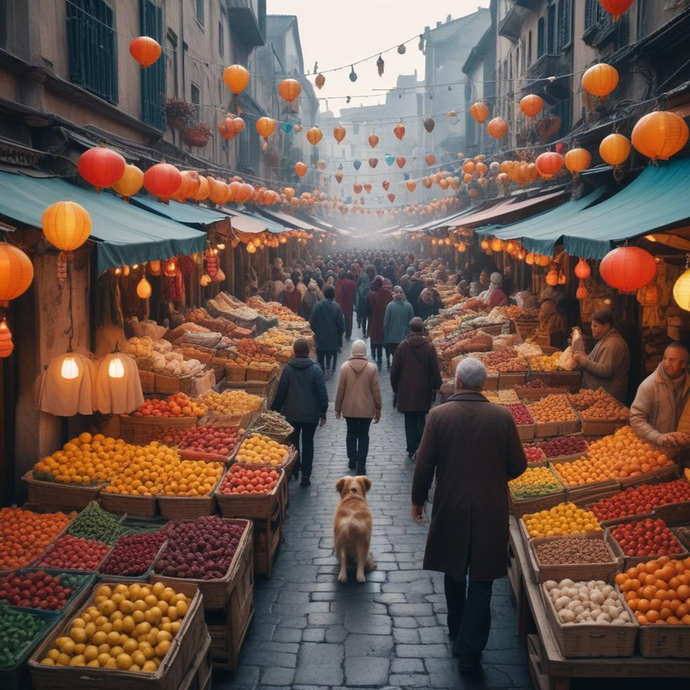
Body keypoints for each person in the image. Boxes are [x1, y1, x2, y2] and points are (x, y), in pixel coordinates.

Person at [411, 358, 527, 674]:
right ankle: (470, 652)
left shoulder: (438, 415)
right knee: (482, 579)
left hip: (451, 505)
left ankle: (456, 626)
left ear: (459, 382)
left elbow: (424, 464)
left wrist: (418, 500)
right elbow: (518, 465)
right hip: (490, 507)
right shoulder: (502, 417)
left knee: (453, 569)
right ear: (482, 385)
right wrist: (492, 472)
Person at [271, 338, 328, 487]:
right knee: (309, 443)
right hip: (311, 416)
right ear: (308, 351)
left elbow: (281, 392)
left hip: (292, 414)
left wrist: (274, 410)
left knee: (294, 443)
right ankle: (306, 475)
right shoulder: (316, 369)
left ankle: (295, 469)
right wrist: (323, 413)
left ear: (294, 351)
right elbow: (322, 393)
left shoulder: (288, 369)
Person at [390, 317, 442, 459]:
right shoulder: (429, 347)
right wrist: (437, 386)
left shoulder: (402, 346)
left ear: (410, 329)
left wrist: (396, 389)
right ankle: (421, 444)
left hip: (406, 390)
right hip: (424, 389)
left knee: (409, 420)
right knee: (421, 418)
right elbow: (434, 369)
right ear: (422, 329)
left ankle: (411, 447)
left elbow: (394, 371)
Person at [630, 342, 690, 453]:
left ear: (684, 364)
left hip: (684, 452)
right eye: (664, 358)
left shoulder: (688, 384)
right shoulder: (649, 386)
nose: (666, 364)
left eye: (672, 360)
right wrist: (657, 437)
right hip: (657, 453)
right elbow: (636, 419)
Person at [334, 340, 382, 476]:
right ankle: (361, 465)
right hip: (366, 409)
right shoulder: (371, 368)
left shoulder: (345, 368)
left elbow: (340, 390)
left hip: (349, 409)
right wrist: (378, 408)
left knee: (351, 434)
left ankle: (352, 459)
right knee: (364, 436)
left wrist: (337, 408)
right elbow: (376, 391)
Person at [573, 308, 630, 403]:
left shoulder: (614, 343)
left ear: (606, 326)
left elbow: (605, 370)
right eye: (591, 325)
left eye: (595, 326)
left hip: (607, 399)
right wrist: (585, 357)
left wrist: (584, 361)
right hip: (596, 395)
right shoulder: (604, 340)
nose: (592, 328)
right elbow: (597, 362)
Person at [309, 285, 346, 379]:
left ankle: (322, 371)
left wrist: (316, 331)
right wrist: (339, 335)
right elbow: (341, 325)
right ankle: (329, 368)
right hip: (333, 339)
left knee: (320, 356)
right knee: (330, 354)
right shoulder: (337, 307)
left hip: (320, 338)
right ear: (333, 295)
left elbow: (312, 322)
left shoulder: (317, 306)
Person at [383, 286, 414, 373]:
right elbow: (412, 322)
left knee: (394, 354)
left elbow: (386, 323)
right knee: (402, 356)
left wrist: (385, 337)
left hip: (391, 337)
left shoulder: (389, 306)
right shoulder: (409, 306)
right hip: (404, 337)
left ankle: (392, 366)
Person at [368, 276, 393, 368]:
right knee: (385, 340)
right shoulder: (391, 296)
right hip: (387, 322)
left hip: (376, 320)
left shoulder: (374, 295)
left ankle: (378, 357)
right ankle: (387, 359)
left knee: (377, 339)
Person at [335, 271, 357, 340]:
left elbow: (337, 294)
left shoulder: (339, 283)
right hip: (349, 302)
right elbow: (354, 293)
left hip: (340, 303)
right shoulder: (352, 283)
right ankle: (348, 333)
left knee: (339, 319)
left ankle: (340, 333)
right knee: (349, 319)